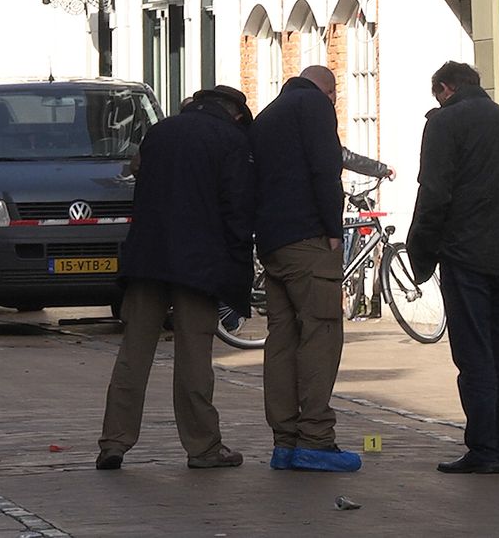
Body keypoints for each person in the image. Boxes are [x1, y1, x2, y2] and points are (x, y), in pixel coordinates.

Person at [97, 85, 254, 470]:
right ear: (235, 113)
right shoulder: (230, 140)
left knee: (134, 351)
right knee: (194, 356)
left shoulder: (160, 131)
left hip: (147, 256)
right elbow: (236, 208)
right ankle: (202, 446)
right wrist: (239, 268)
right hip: (197, 263)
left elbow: (139, 175)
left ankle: (114, 442)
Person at [407, 61, 499, 474]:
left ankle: (484, 449)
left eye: (437, 95)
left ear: (445, 88)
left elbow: (433, 194)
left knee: (474, 355)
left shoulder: (445, 123)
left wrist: (420, 255)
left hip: (467, 256)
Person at [251, 65, 361, 472]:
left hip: (274, 243)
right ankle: (315, 437)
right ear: (328, 90)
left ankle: (284, 441)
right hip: (309, 240)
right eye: (334, 96)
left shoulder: (269, 113)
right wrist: (333, 228)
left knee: (281, 338)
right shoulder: (313, 105)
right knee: (321, 333)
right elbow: (325, 167)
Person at [216, 146, 392, 335]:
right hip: (307, 227)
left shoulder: (280, 137)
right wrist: (382, 169)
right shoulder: (313, 136)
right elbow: (344, 157)